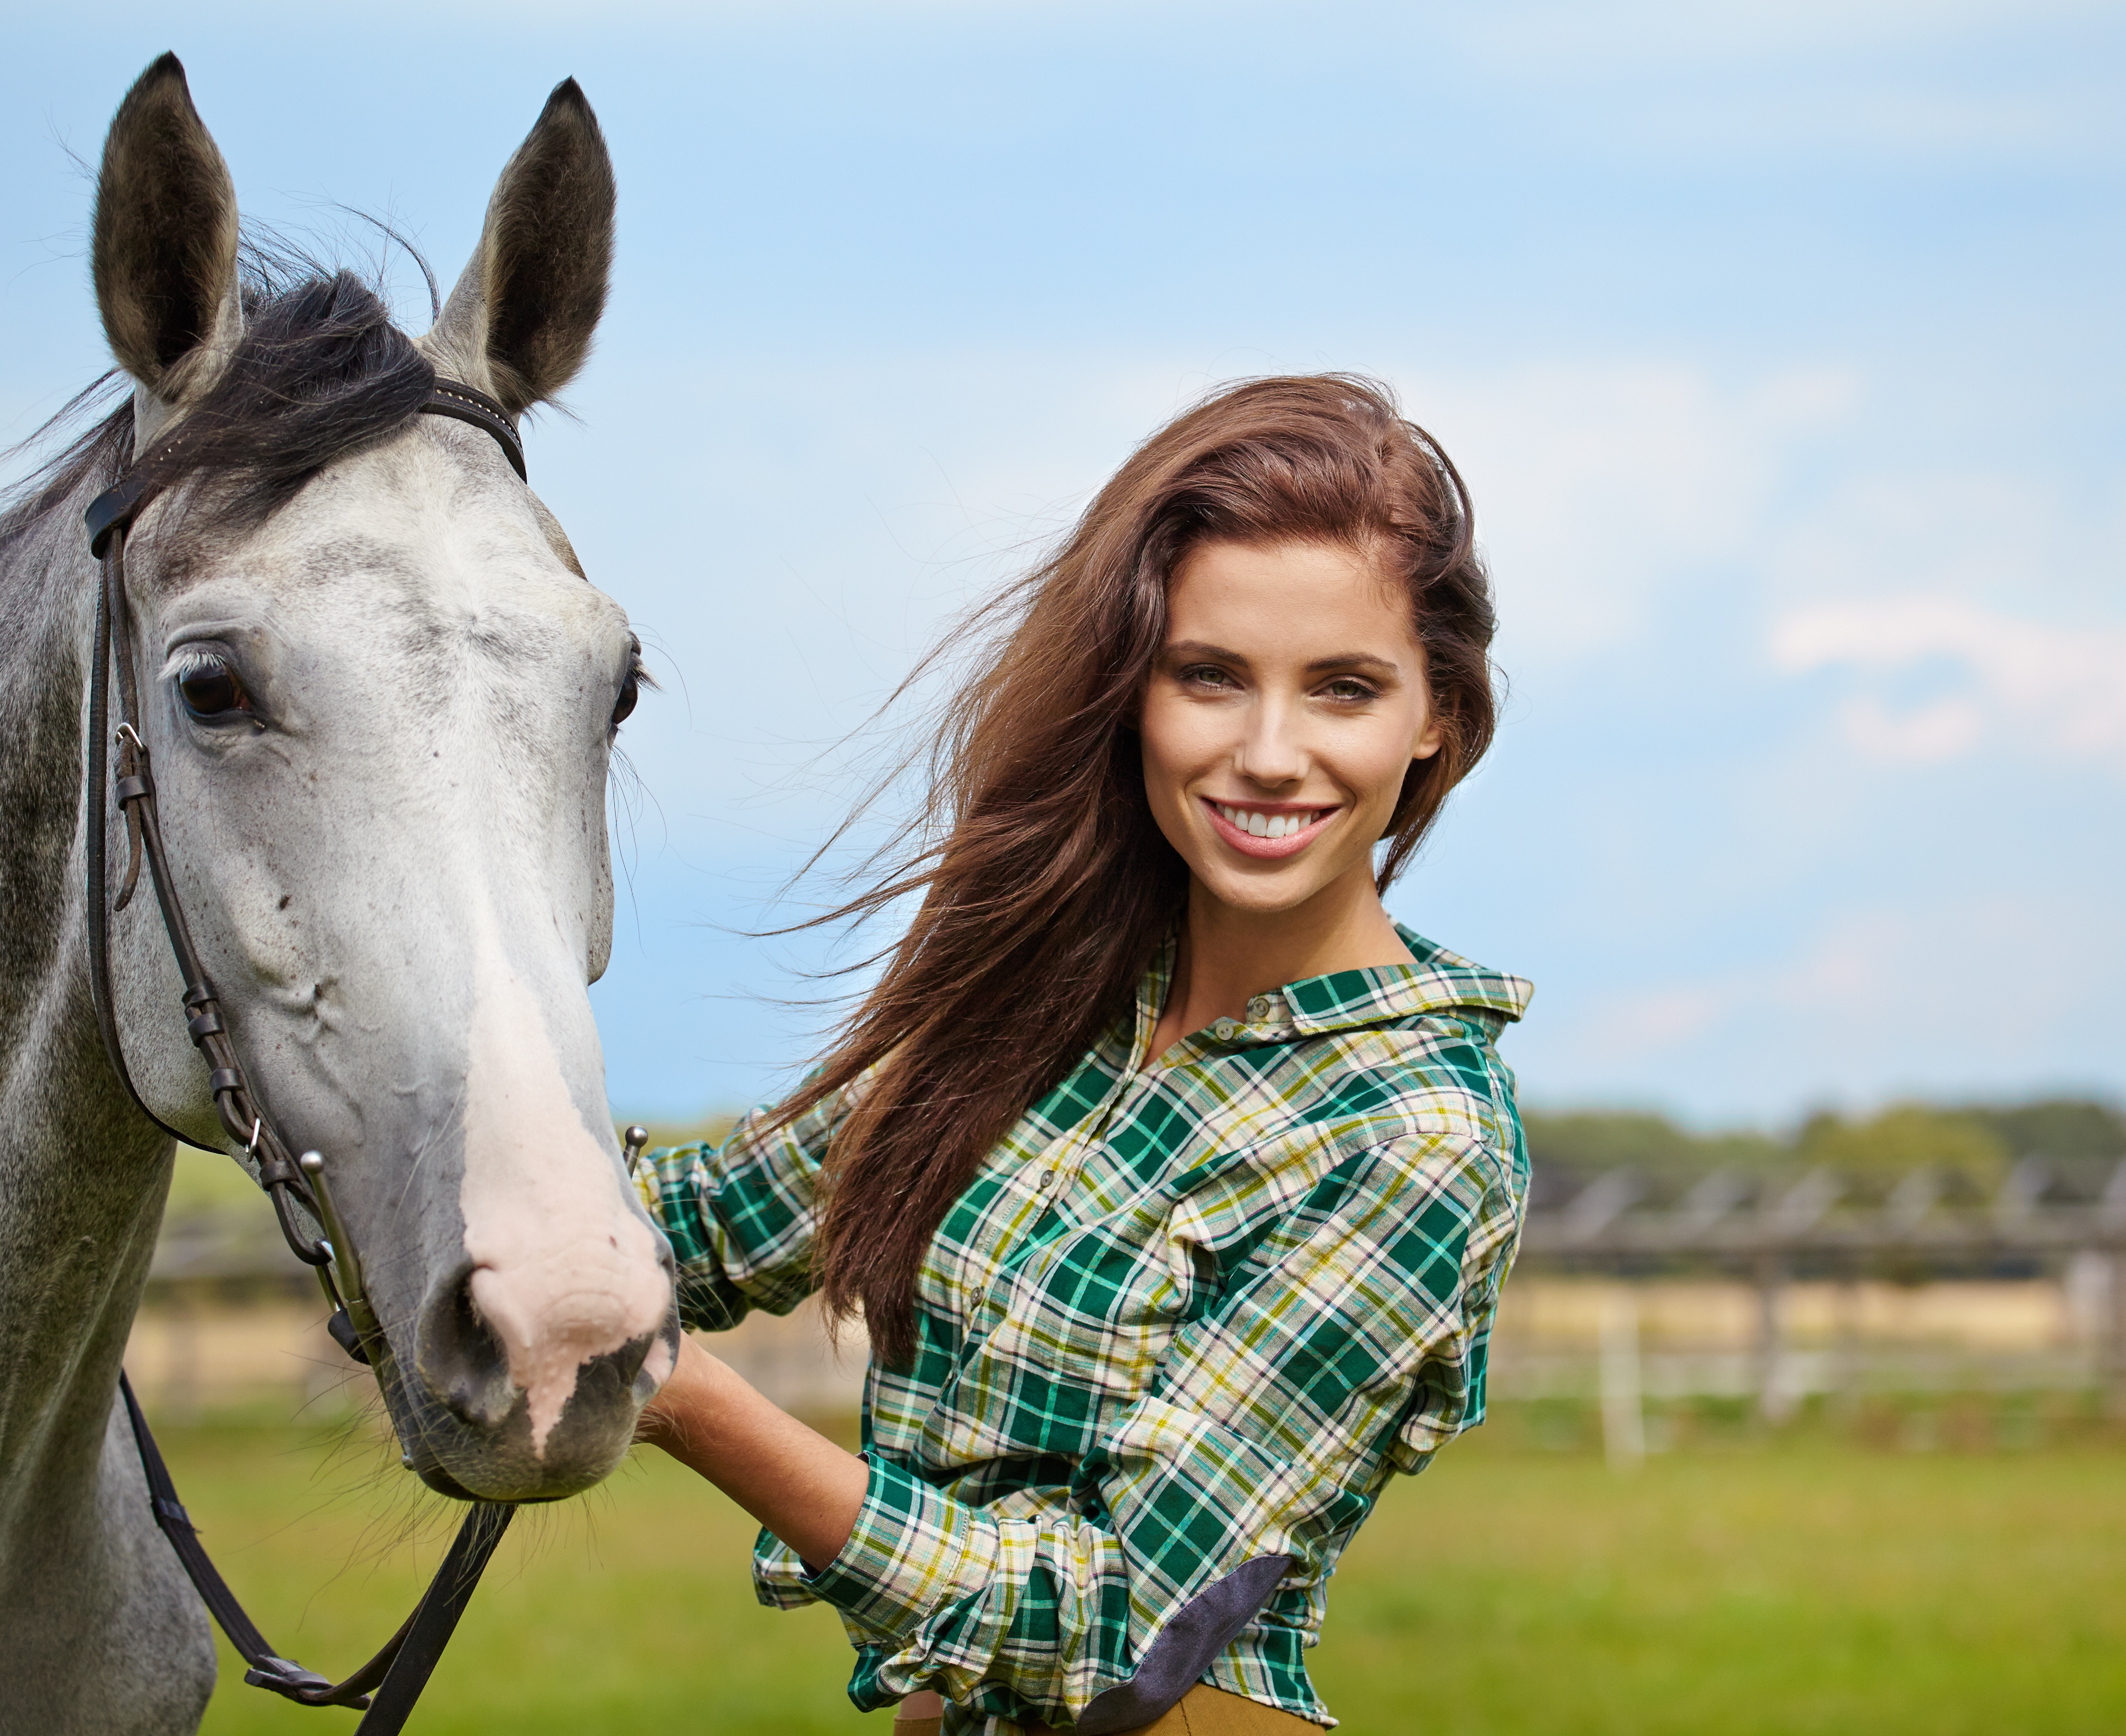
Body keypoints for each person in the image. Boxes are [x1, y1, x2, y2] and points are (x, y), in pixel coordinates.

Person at [630, 375, 1531, 1735]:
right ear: (1133, 695)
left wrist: (683, 1400)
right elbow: (693, 1230)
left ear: (1434, 718)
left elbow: (1118, 1626)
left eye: (1342, 688)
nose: (1270, 753)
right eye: (1209, 676)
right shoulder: (1042, 1002)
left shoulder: (1415, 1132)